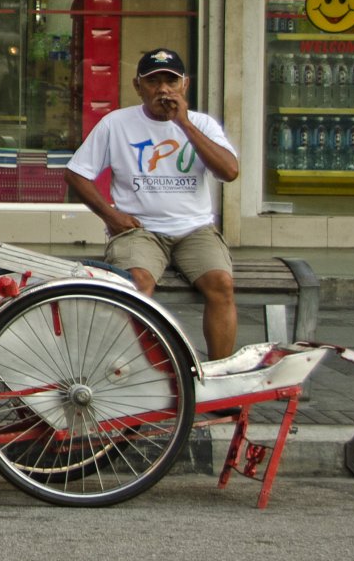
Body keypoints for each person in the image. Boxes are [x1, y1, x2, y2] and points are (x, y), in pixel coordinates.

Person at [64, 48, 242, 359]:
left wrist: (184, 123)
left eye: (171, 81)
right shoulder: (116, 123)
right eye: (153, 81)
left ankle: (219, 376)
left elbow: (229, 172)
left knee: (221, 283)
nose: (163, 89)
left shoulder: (202, 123)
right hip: (140, 231)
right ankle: (129, 369)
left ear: (184, 85)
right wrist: (111, 215)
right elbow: (77, 174)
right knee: (137, 283)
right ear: (137, 86)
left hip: (194, 229)